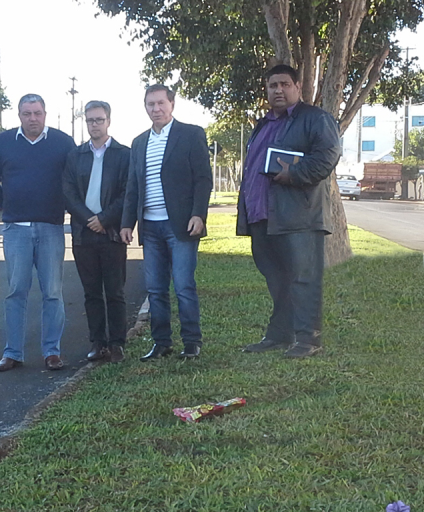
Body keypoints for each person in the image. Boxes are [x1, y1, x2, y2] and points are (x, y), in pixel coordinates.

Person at [237, 64, 340, 358]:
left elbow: (328, 156)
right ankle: (280, 335)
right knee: (277, 278)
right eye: (273, 86)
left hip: (299, 216)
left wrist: (293, 174)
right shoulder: (263, 124)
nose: (278, 90)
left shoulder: (315, 119)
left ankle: (308, 340)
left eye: (284, 84)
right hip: (262, 216)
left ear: (297, 86)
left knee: (304, 279)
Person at [0, 94, 76, 372]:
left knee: (53, 292)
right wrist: (9, 204)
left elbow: (73, 181)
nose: (32, 118)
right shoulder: (2, 142)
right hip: (16, 230)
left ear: (45, 114)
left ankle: (52, 352)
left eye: (37, 113)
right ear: (19, 115)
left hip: (51, 228)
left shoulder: (63, 143)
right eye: (27, 113)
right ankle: (12, 353)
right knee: (16, 292)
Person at [120, 84, 212, 361]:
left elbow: (203, 178)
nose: (156, 109)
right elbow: (133, 186)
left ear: (172, 104)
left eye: (161, 103)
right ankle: (161, 343)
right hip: (150, 227)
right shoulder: (139, 143)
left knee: (183, 285)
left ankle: (191, 342)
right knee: (155, 289)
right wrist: (127, 222)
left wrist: (198, 214)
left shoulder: (191, 134)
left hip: (181, 225)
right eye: (151, 104)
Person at [63, 101, 130, 364]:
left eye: (99, 120)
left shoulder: (124, 155)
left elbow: (127, 193)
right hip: (83, 234)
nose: (94, 124)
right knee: (91, 293)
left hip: (111, 233)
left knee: (115, 292)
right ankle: (97, 342)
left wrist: (104, 219)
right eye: (90, 120)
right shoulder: (75, 155)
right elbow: (68, 192)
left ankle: (117, 344)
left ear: (108, 121)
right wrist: (89, 220)